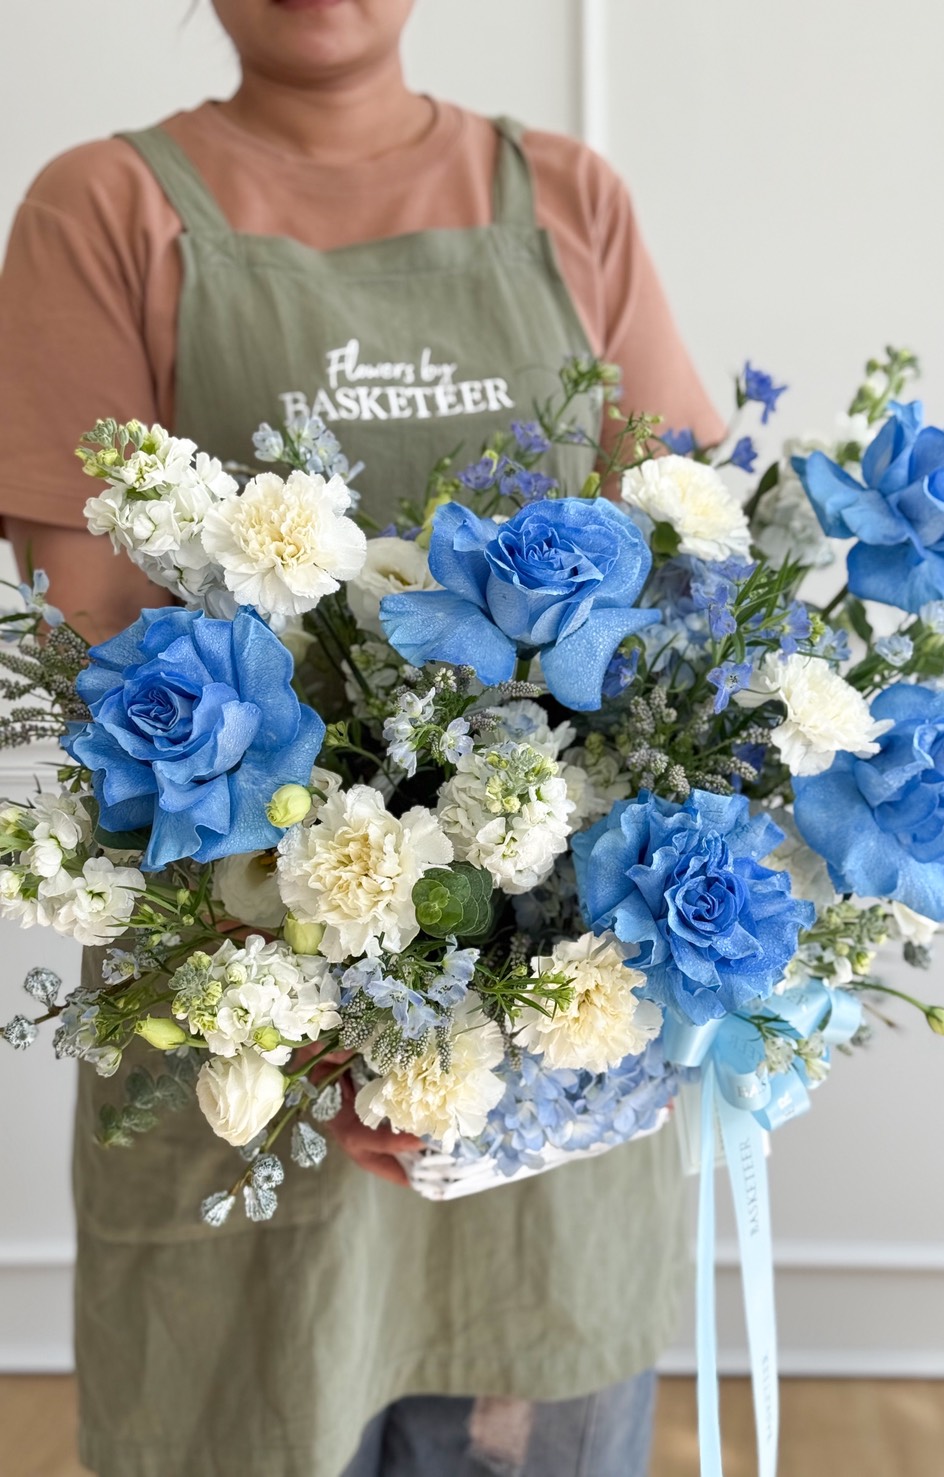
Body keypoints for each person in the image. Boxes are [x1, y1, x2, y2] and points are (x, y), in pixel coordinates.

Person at [0, 3, 724, 1474]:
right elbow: (103, 656)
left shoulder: (570, 199)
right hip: (243, 1011)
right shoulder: (107, 208)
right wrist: (329, 1023)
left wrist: (496, 1049)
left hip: (539, 1053)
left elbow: (693, 592)